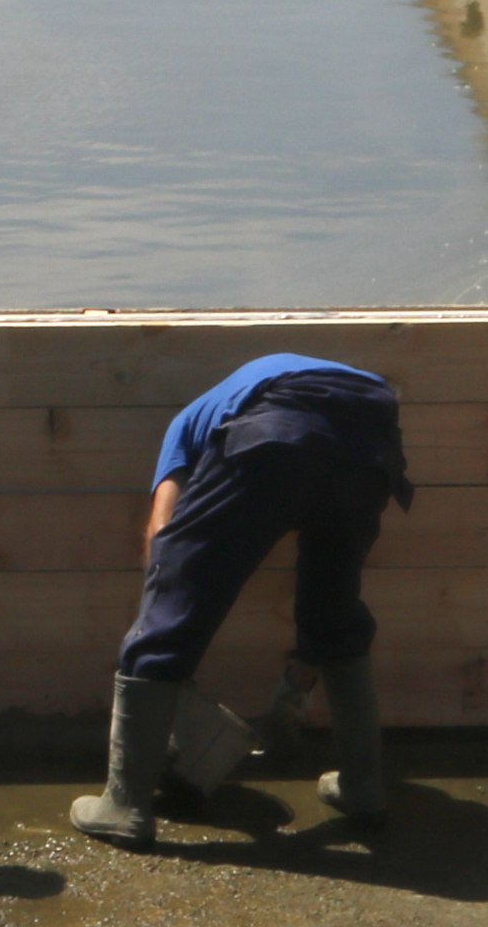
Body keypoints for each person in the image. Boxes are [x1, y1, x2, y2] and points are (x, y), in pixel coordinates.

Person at [73, 353, 409, 848]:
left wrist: (162, 628)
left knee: (170, 604)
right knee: (334, 609)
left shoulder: (183, 427)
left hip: (276, 429)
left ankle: (124, 806)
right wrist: (296, 685)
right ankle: (364, 789)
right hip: (372, 432)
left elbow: (166, 535)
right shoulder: (255, 386)